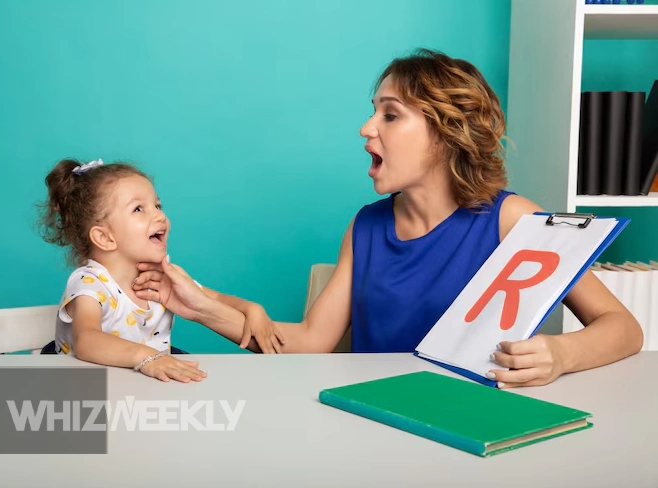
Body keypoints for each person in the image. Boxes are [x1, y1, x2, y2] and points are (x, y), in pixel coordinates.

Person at [132, 48, 644, 388]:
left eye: (390, 114)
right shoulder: (367, 226)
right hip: (377, 422)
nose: (365, 127)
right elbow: (309, 344)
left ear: (445, 133)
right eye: (373, 111)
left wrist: (560, 355)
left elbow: (623, 328)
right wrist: (198, 307)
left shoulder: (512, 219)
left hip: (478, 425)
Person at [38, 158, 285, 383]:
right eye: (139, 209)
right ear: (104, 237)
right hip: (87, 388)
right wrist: (148, 357)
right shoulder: (89, 282)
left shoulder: (158, 279)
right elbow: (86, 340)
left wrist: (252, 309)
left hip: (137, 384)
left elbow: (214, 299)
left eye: (157, 205)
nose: (160, 216)